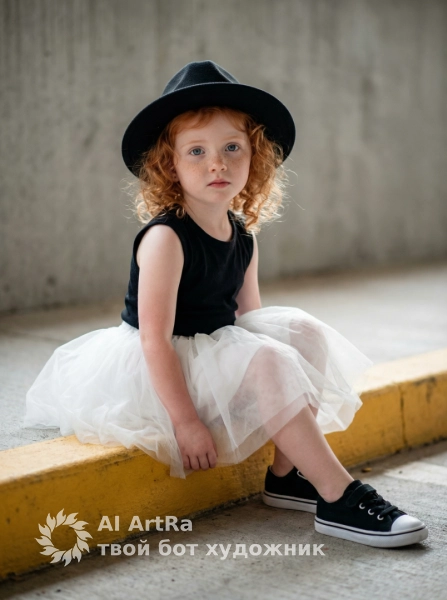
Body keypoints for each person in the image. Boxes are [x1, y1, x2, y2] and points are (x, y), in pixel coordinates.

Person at [24, 60, 428, 549]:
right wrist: (186, 422)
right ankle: (338, 496)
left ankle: (286, 476)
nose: (217, 164)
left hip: (209, 358)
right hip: (161, 372)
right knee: (271, 356)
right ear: (169, 165)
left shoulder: (243, 236)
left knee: (301, 332)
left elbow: (251, 322)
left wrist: (270, 369)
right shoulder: (166, 239)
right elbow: (154, 340)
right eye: (197, 151)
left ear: (255, 158)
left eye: (232, 148)